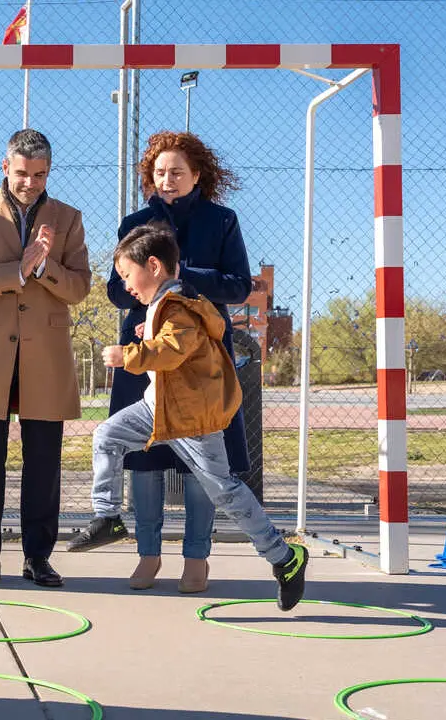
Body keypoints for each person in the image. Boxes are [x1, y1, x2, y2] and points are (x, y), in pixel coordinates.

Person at [69, 130, 252, 595]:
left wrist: (178, 274)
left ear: (197, 175)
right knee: (143, 457)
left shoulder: (222, 220)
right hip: (145, 349)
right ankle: (147, 554)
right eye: (159, 172)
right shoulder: (137, 221)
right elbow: (115, 289)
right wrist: (143, 290)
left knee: (201, 463)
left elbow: (238, 285)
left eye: (176, 172)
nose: (167, 180)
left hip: (201, 357)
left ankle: (196, 558)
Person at [96, 221, 307, 611]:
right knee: (106, 436)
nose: (125, 284)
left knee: (223, 490)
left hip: (192, 416)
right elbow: (168, 343)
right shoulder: (163, 306)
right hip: (158, 407)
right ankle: (106, 516)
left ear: (154, 267)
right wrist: (148, 334)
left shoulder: (178, 306)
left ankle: (284, 557)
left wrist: (127, 355)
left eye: (127, 274)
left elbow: (171, 351)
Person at [0, 129, 91, 588]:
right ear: (5, 167)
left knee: (44, 463)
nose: (31, 182)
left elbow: (81, 287)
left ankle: (38, 558)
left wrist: (46, 267)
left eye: (41, 174)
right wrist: (18, 270)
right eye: (23, 173)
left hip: (45, 355)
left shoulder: (68, 218)